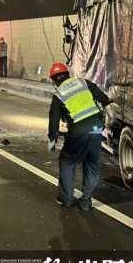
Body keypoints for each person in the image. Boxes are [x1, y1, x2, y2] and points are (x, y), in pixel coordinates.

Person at [47, 62, 111, 211]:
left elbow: (54, 119)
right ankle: (86, 202)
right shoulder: (83, 82)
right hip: (96, 128)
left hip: (78, 131)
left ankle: (66, 199)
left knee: (67, 161)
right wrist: (107, 102)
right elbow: (103, 98)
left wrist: (52, 138)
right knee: (91, 163)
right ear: (68, 74)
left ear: (54, 80)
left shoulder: (58, 94)